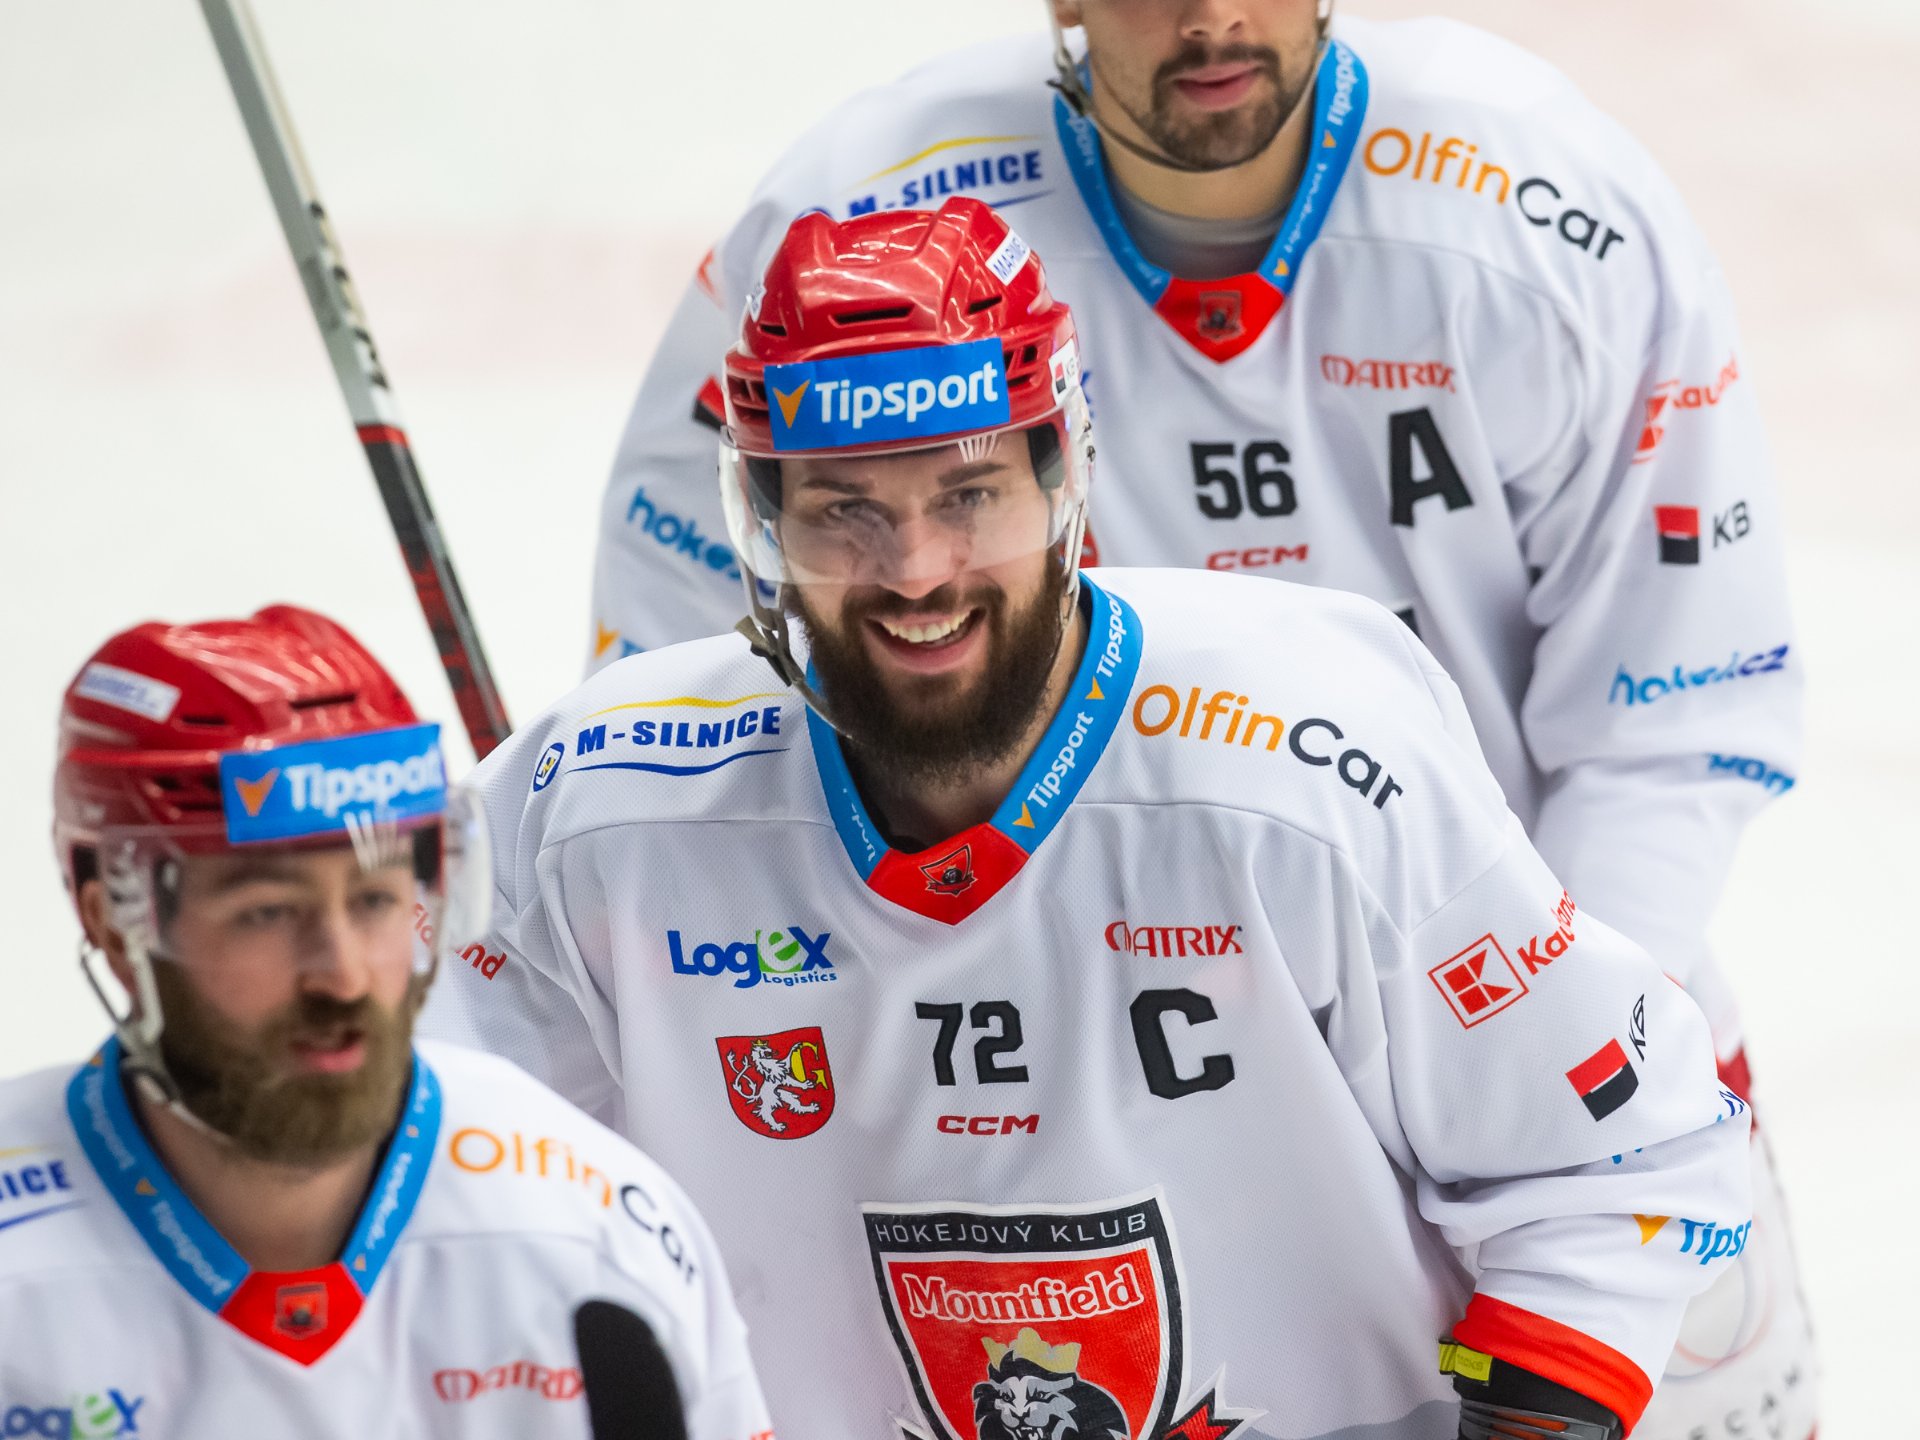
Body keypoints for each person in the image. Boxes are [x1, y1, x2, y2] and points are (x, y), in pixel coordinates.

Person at [586, 7, 1813, 1434]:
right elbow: (701, 667)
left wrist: (1540, 1036)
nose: (1212, 16)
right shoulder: (860, 230)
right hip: (1041, 1092)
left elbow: (1672, 707)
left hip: (1520, 1034)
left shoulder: (1541, 208)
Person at [0, 605, 772, 1438]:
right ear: (114, 923)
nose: (343, 975)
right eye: (266, 912)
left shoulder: (598, 1228)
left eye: (374, 901)